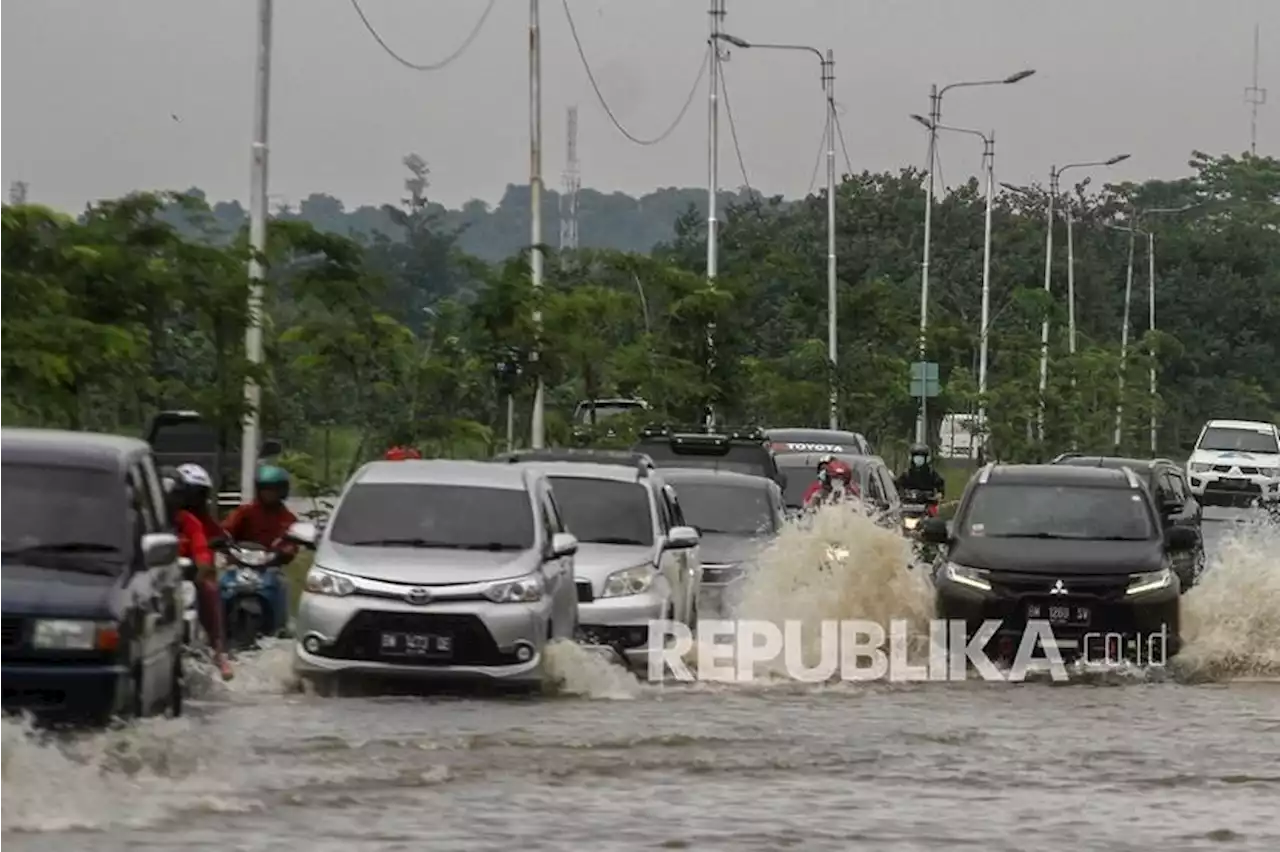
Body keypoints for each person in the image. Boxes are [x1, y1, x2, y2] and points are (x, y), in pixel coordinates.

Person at [160, 466, 233, 680]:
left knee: (209, 589)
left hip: (185, 579)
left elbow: (201, 548)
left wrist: (202, 567)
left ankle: (219, 652)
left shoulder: (190, 522)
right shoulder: (148, 520)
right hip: (153, 579)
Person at [222, 464, 297, 631]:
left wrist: (285, 551)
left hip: (269, 566)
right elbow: (227, 529)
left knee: (282, 584)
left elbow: (293, 540)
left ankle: (280, 626)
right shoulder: (245, 512)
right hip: (240, 562)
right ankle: (214, 625)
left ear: (282, 491)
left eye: (273, 489)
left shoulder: (288, 518)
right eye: (265, 489)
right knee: (221, 584)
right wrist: (221, 540)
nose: (269, 494)